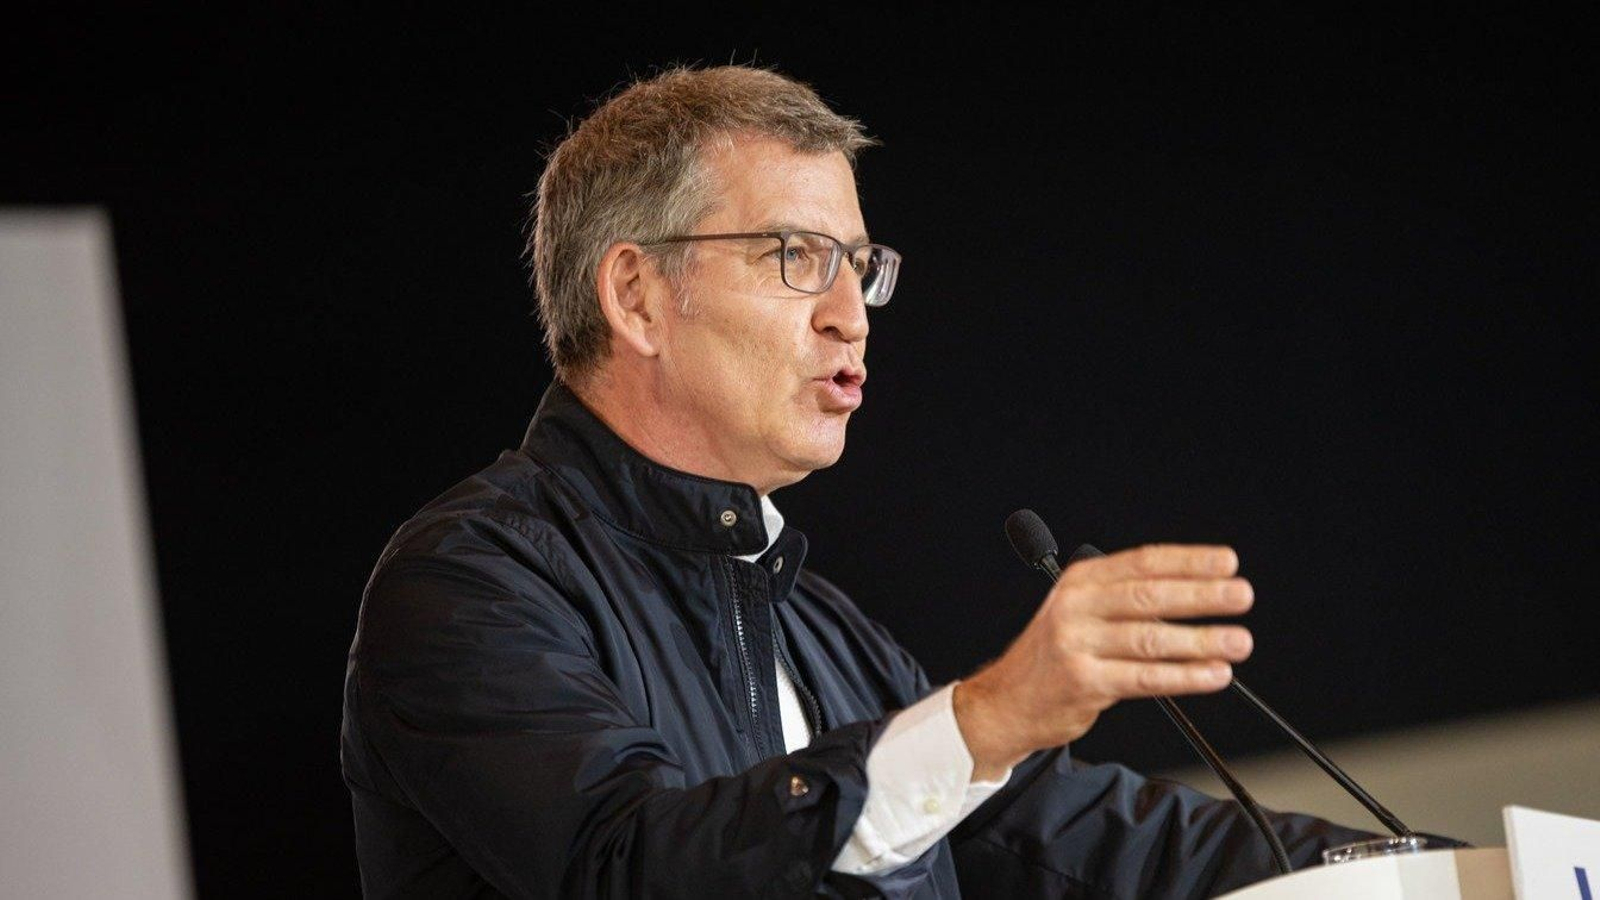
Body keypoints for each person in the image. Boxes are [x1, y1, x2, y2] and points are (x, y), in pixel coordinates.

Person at [339, 65, 1373, 898]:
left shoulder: (819, 632)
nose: (852, 313)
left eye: (859, 264)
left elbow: (1084, 840)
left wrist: (1426, 870)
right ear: (638, 297)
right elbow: (628, 866)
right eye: (794, 256)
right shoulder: (471, 583)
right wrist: (981, 718)